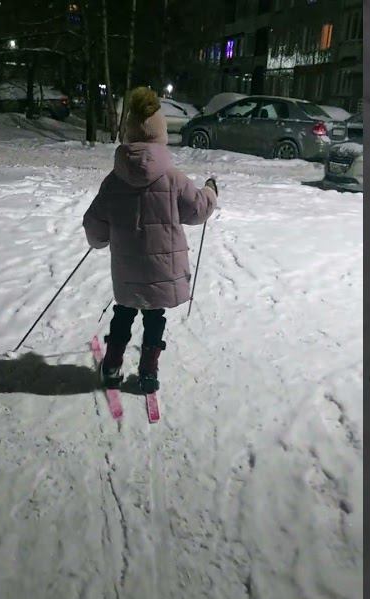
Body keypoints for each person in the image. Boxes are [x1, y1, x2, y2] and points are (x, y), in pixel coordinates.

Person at [82, 86, 218, 393]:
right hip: (161, 271)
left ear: (129, 131)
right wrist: (210, 191)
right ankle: (148, 372)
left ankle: (112, 366)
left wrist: (99, 239)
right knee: (155, 317)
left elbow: (94, 224)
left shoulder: (114, 181)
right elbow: (198, 209)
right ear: (160, 133)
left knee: (124, 312)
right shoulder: (173, 178)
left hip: (128, 271)